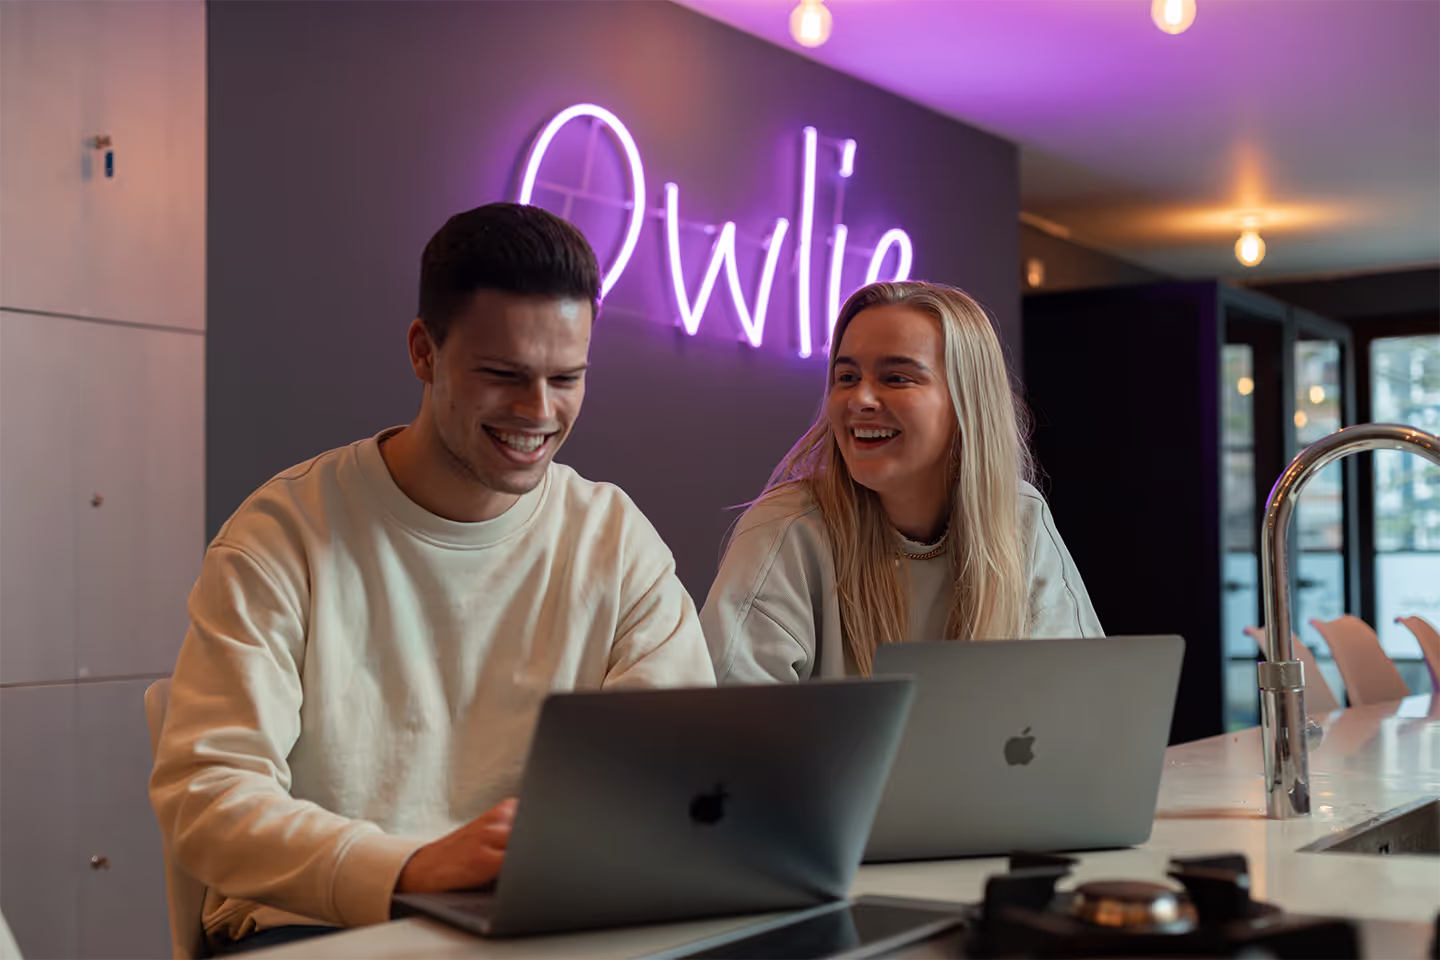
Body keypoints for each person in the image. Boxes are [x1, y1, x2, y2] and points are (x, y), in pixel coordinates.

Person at [150, 203, 715, 954]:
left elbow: (687, 779)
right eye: (503, 375)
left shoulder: (614, 539)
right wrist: (411, 866)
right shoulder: (283, 534)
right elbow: (210, 802)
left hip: (542, 926)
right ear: (424, 351)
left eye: (566, 378)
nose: (538, 412)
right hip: (316, 929)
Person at [701, 281, 1101, 683]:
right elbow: (729, 727)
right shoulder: (788, 529)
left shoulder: (1019, 517)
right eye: (847, 376)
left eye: (895, 378)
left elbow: (1083, 696)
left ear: (967, 403)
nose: (861, 399)